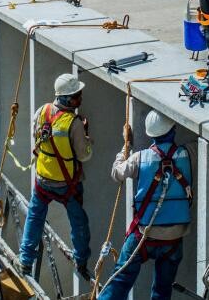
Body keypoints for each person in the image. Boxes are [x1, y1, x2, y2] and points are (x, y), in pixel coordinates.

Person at [97, 111, 193, 300]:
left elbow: (117, 173)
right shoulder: (188, 154)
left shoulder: (140, 158)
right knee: (162, 291)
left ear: (151, 134)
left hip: (144, 235)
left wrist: (126, 144)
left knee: (120, 281)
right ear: (173, 130)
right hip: (174, 237)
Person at [18, 73, 93, 281]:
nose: (80, 98)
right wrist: (85, 136)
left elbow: (38, 137)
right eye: (78, 95)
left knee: (35, 216)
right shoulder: (74, 122)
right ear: (67, 99)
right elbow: (84, 155)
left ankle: (25, 259)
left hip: (43, 178)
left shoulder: (42, 111)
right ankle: (81, 260)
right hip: (66, 184)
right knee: (79, 222)